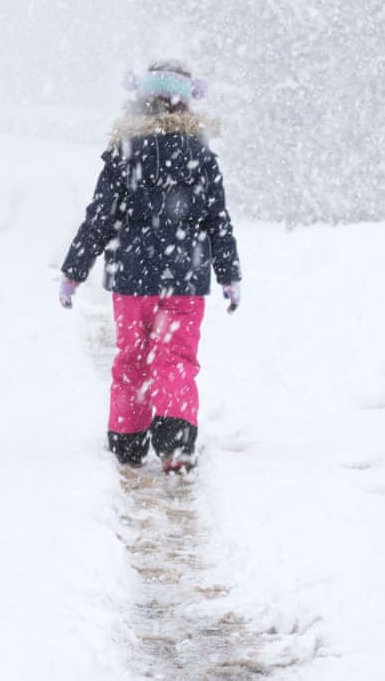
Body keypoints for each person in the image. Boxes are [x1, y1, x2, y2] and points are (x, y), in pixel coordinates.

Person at [58, 60, 241, 472]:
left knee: (132, 357)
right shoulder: (202, 156)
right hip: (185, 276)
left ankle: (127, 440)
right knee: (175, 357)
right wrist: (230, 275)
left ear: (140, 100)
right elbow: (219, 221)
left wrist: (75, 269)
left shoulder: (125, 153)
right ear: (188, 105)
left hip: (132, 277)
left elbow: (100, 217)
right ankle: (176, 443)